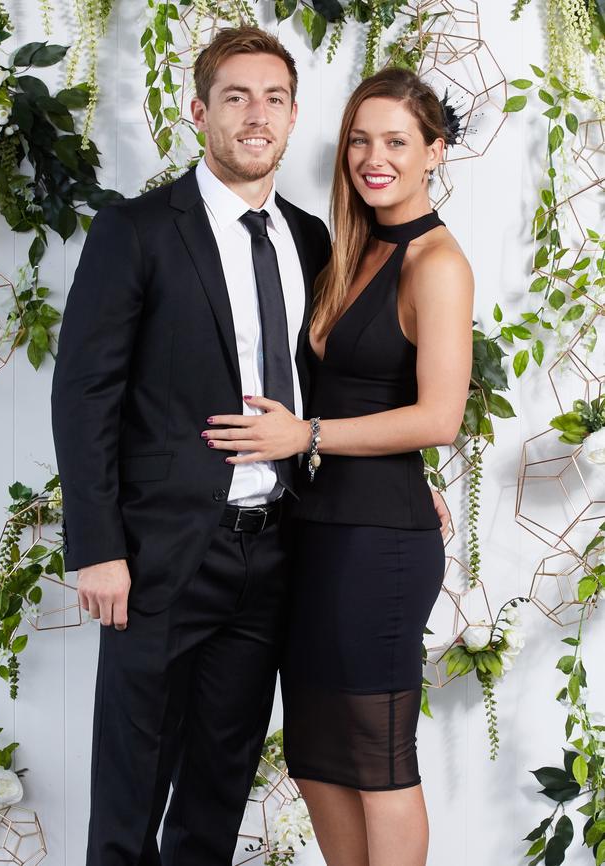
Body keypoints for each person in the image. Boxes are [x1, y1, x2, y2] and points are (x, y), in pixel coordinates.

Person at [52, 23, 450, 863]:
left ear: (295, 115)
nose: (256, 114)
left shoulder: (312, 242)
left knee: (217, 791)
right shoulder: (139, 229)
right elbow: (84, 391)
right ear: (200, 111)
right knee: (131, 790)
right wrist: (97, 548)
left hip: (274, 558)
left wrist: (416, 476)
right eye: (235, 96)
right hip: (158, 560)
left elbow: (359, 376)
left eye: (273, 98)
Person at [202, 67, 474, 866]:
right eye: (360, 139)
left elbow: (440, 416)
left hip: (377, 546)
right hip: (318, 534)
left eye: (396, 141)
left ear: (435, 152)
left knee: (376, 759)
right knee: (319, 759)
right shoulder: (345, 247)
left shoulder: (437, 263)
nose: (373, 156)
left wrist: (308, 436)